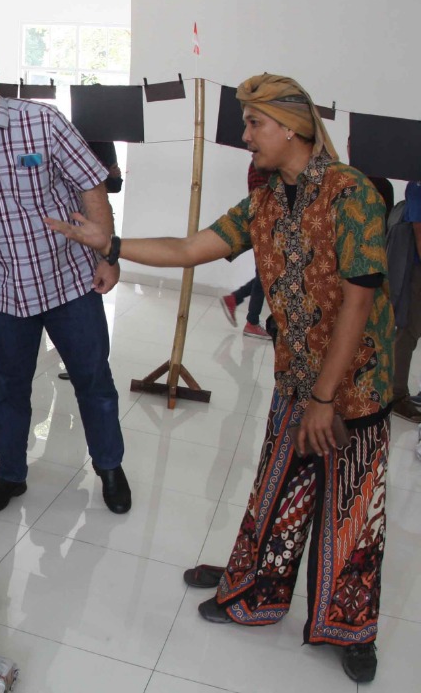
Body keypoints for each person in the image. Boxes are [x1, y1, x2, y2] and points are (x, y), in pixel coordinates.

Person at [47, 73, 390, 683]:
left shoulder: (349, 193)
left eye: (255, 124)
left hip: (354, 382)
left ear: (292, 128)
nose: (246, 136)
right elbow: (187, 249)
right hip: (297, 377)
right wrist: (113, 241)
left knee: (352, 507)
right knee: (278, 486)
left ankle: (351, 626)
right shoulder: (263, 199)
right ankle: (258, 588)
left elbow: (359, 305)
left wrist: (325, 398)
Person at [0, 42, 129, 515]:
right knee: (8, 389)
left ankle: (109, 467)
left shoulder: (42, 122)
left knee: (93, 380)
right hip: (5, 289)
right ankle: (10, 475)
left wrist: (107, 252)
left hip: (68, 278)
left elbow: (89, 184)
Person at [220, 163, 271, 338]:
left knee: (265, 274)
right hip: (266, 225)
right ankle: (251, 321)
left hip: (265, 224)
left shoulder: (260, 162)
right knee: (265, 275)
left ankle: (235, 300)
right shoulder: (264, 164)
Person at [386, 179, 421, 421]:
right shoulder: (418, 185)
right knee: (408, 330)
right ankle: (397, 394)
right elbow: (419, 227)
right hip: (417, 270)